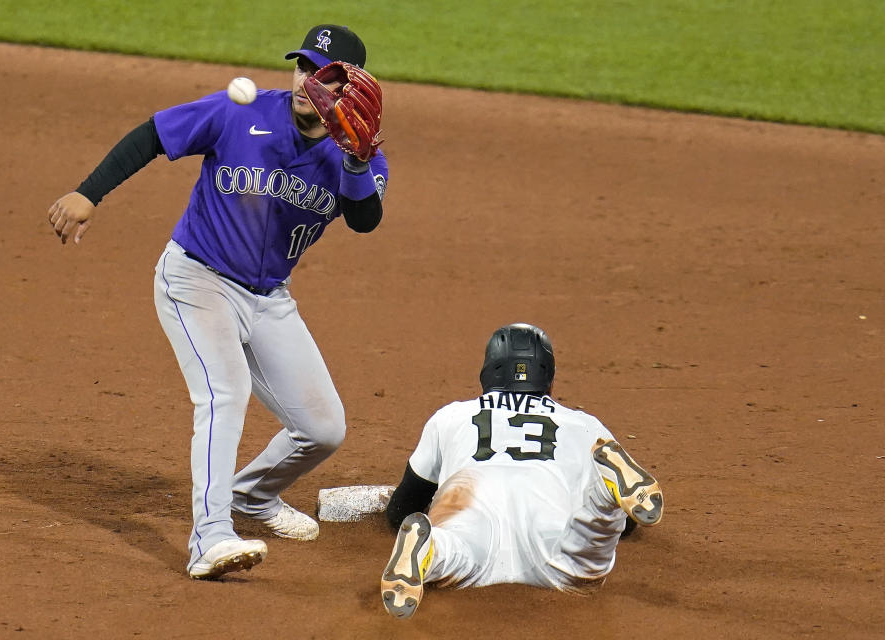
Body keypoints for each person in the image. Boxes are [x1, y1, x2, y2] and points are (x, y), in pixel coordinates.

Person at [46, 24, 389, 580]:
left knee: (323, 428)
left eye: (325, 75)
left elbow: (364, 220)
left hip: (269, 298)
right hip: (196, 281)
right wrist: (89, 193)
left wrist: (355, 159)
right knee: (223, 394)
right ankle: (210, 537)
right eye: (303, 66)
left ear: (352, 87)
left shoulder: (362, 157)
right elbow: (154, 134)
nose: (308, 82)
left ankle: (251, 498)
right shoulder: (239, 111)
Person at [380, 323, 664, 619]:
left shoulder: (450, 417)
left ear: (489, 371)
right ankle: (604, 499)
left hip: (474, 514)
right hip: (549, 529)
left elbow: (402, 509)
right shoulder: (585, 425)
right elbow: (630, 526)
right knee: (584, 564)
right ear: (548, 377)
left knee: (456, 553)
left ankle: (431, 548)